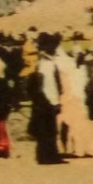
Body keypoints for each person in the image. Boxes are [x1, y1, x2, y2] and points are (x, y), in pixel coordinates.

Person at [29, 32, 64, 165]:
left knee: (50, 128)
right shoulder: (45, 63)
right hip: (46, 99)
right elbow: (45, 84)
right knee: (47, 129)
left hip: (47, 99)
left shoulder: (44, 62)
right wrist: (51, 100)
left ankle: (50, 155)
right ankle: (47, 156)